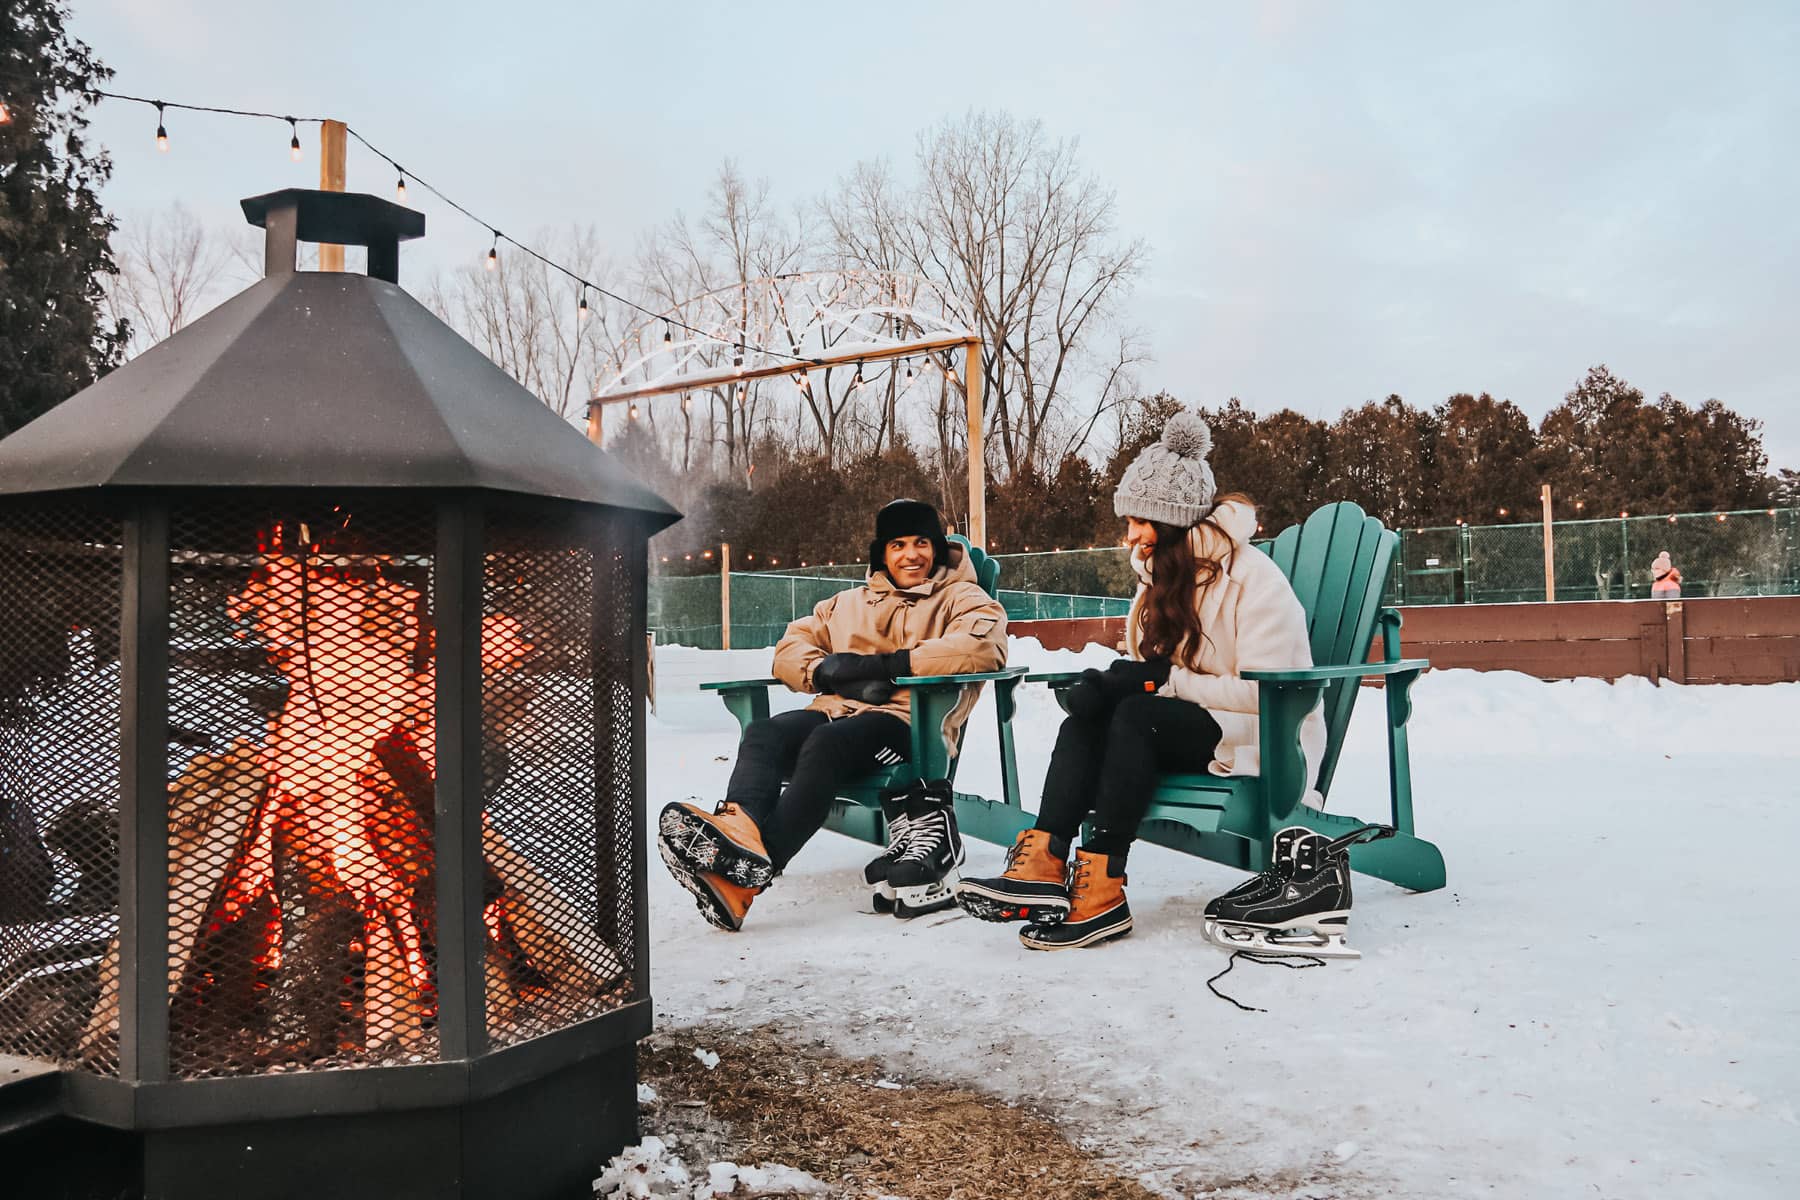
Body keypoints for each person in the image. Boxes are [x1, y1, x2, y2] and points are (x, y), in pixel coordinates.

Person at [955, 412, 1327, 950]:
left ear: (1171, 522)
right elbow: (1153, 676)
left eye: (1139, 521)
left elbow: (1270, 694)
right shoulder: (1163, 579)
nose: (1129, 534)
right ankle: (1043, 858)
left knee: (1135, 713)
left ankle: (1104, 885)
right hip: (1178, 729)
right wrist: (1112, 681)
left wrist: (1163, 681)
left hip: (1257, 736)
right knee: (1095, 714)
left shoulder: (1254, 581)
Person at [658, 499, 1008, 932]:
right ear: (883, 553)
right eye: (898, 545)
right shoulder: (847, 603)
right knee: (765, 735)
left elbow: (982, 647)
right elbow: (789, 648)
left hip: (906, 726)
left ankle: (747, 877)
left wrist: (888, 666)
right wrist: (825, 670)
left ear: (936, 548)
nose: (911, 555)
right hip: (836, 711)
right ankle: (739, 833)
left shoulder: (962, 597)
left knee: (825, 745)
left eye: (921, 543)